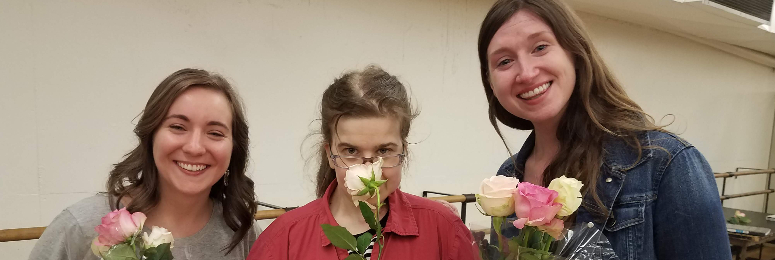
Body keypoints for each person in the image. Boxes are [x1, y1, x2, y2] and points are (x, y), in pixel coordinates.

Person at [476, 0, 731, 259]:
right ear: (491, 81)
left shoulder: (664, 164)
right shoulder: (508, 178)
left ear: (575, 51)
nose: (526, 73)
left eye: (540, 47)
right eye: (505, 61)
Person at [246, 65, 479, 260]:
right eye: (350, 150)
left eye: (384, 150)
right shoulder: (283, 240)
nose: (368, 170)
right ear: (330, 154)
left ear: (403, 151)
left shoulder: (443, 229)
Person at [30, 68, 259, 260]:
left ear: (234, 148)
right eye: (178, 127)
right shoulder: (82, 226)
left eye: (215, 133)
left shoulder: (241, 233)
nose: (194, 147)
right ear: (151, 136)